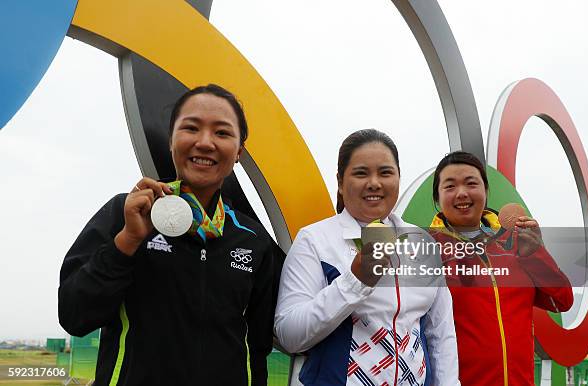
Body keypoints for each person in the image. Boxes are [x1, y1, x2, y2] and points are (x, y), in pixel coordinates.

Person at [58, 85, 278, 386]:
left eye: (222, 133)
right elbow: (74, 315)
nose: (205, 142)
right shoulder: (124, 214)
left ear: (238, 152)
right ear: (171, 140)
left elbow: (258, 346)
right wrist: (127, 241)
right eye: (191, 128)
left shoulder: (253, 239)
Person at [275, 129, 460, 386]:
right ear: (340, 182)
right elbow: (289, 335)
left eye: (385, 173)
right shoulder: (314, 240)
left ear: (398, 177)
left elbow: (440, 332)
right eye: (361, 173)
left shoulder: (422, 242)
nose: (374, 183)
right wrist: (355, 281)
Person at [429, 151, 573, 386]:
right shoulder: (427, 249)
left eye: (471, 183)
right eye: (450, 186)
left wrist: (535, 252)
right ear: (438, 197)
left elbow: (562, 300)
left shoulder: (514, 243)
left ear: (486, 191)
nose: (462, 193)